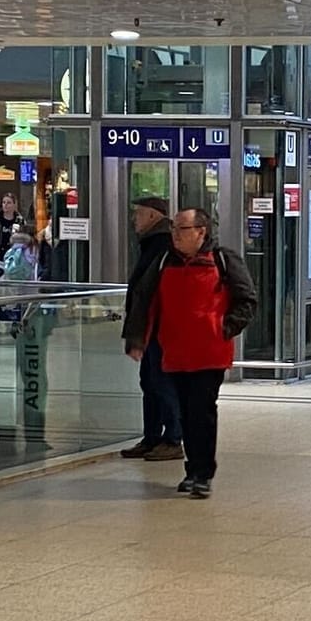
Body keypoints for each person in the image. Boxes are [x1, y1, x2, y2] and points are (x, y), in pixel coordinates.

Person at [122, 209, 256, 500]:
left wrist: (224, 327)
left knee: (202, 411)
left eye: (182, 229)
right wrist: (136, 339)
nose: (175, 235)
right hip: (174, 351)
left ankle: (202, 472)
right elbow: (143, 300)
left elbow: (246, 299)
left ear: (201, 231)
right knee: (184, 413)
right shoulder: (163, 262)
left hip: (210, 353)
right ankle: (192, 470)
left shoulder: (223, 260)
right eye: (174, 229)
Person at [119, 196, 182, 462]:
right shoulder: (151, 245)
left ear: (154, 217)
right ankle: (153, 436)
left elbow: (147, 293)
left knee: (161, 382)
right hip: (152, 328)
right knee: (150, 382)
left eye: (140, 214)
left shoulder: (163, 247)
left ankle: (172, 438)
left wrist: (137, 334)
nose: (135, 219)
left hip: (160, 327)